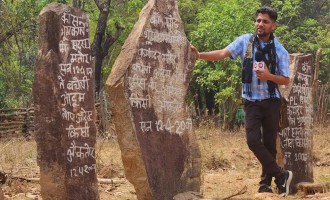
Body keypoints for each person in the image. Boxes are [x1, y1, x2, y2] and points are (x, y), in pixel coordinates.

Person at [191, 6, 293, 197]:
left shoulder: (280, 50)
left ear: (274, 26)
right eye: (258, 20)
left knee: (270, 144)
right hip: (251, 101)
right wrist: (199, 55)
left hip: (271, 101)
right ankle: (281, 175)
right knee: (253, 141)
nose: (260, 24)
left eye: (265, 21)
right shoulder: (245, 41)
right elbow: (222, 53)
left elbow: (286, 80)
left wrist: (269, 76)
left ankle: (265, 185)